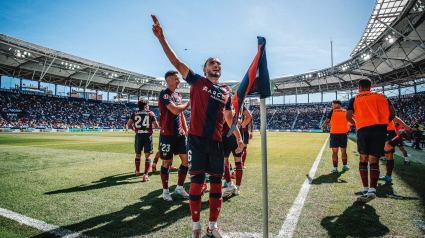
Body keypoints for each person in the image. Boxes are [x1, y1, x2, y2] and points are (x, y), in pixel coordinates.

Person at [152, 16, 243, 238]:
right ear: (205, 68)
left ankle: (212, 226)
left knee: (215, 185)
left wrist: (239, 138)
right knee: (197, 183)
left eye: (219, 63)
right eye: (213, 62)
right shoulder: (196, 81)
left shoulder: (226, 91)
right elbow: (175, 61)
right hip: (196, 141)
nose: (217, 65)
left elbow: (229, 117)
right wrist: (162, 38)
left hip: (217, 142)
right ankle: (196, 228)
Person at [346, 78, 395, 203]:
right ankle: (372, 189)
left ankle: (365, 188)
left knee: (363, 158)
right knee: (374, 159)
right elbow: (393, 113)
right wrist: (384, 124)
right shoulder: (382, 96)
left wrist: (357, 124)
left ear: (359, 87)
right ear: (371, 86)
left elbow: (348, 116)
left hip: (364, 129)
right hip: (380, 129)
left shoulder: (355, 98)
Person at [158, 70, 191, 201]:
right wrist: (189, 103)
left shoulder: (178, 96)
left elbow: (180, 114)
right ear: (169, 80)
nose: (179, 81)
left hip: (180, 134)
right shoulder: (164, 94)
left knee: (186, 161)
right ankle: (165, 191)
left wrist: (186, 129)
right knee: (166, 162)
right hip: (167, 134)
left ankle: (179, 187)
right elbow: (175, 110)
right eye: (176, 79)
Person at [127, 99, 159, 181]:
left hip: (138, 136)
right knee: (148, 155)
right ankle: (145, 175)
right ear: (145, 106)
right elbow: (156, 126)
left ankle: (137, 171)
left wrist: (133, 128)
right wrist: (151, 124)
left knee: (138, 154)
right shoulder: (150, 113)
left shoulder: (135, 113)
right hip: (148, 136)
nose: (148, 106)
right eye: (148, 105)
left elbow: (129, 124)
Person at [222, 106, 251, 198]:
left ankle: (230, 184)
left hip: (227, 135)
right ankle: (237, 188)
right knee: (238, 162)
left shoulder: (225, 102)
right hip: (238, 135)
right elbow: (249, 116)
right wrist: (241, 126)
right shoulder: (240, 103)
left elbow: (224, 120)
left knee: (224, 161)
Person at [379, 117, 413, 182]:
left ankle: (403, 134)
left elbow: (394, 116)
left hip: (390, 131)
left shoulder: (385, 107)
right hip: (381, 132)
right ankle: (388, 176)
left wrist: (405, 126)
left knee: (388, 148)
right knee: (388, 154)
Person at [321, 100, 351, 173]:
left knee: (335, 152)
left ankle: (335, 168)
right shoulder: (345, 111)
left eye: (333, 105)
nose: (332, 106)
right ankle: (344, 166)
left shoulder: (332, 112)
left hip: (334, 134)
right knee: (343, 151)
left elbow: (327, 121)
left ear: (338, 105)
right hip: (343, 133)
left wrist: (322, 127)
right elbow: (351, 119)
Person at [240, 104, 253, 169]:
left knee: (241, 148)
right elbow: (251, 124)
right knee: (243, 148)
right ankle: (242, 164)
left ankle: (240, 164)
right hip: (244, 131)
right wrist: (251, 132)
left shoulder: (239, 111)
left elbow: (251, 123)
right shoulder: (247, 113)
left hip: (241, 131)